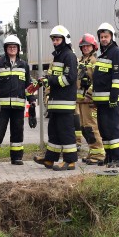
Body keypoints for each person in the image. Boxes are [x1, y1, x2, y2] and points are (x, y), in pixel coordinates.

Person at [33, 25, 78, 171]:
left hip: (65, 102)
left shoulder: (69, 56)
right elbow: (55, 76)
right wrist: (45, 79)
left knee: (66, 132)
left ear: (65, 40)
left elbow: (69, 78)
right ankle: (50, 159)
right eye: (54, 39)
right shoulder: (58, 56)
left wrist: (50, 81)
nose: (55, 42)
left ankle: (70, 161)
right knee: (54, 131)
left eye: (58, 39)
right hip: (55, 102)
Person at [0, 35, 33, 166]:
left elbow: (28, 84)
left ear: (18, 49)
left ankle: (16, 157)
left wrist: (32, 101)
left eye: (14, 47)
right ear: (6, 49)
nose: (12, 49)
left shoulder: (24, 65)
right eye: (9, 47)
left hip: (18, 106)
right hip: (2, 106)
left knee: (18, 131)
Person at [92, 22, 119, 168]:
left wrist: (114, 96)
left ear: (111, 37)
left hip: (110, 100)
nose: (104, 39)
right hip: (101, 101)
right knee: (104, 129)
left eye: (106, 36)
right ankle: (109, 157)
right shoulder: (102, 55)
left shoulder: (116, 53)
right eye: (101, 37)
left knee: (113, 129)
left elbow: (118, 77)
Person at [76, 33, 105, 165]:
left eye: (88, 46)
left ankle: (99, 153)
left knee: (91, 127)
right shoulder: (80, 61)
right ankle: (92, 152)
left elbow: (98, 80)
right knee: (84, 128)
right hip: (80, 100)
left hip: (90, 100)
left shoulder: (95, 61)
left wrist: (90, 94)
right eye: (83, 46)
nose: (85, 48)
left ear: (93, 47)